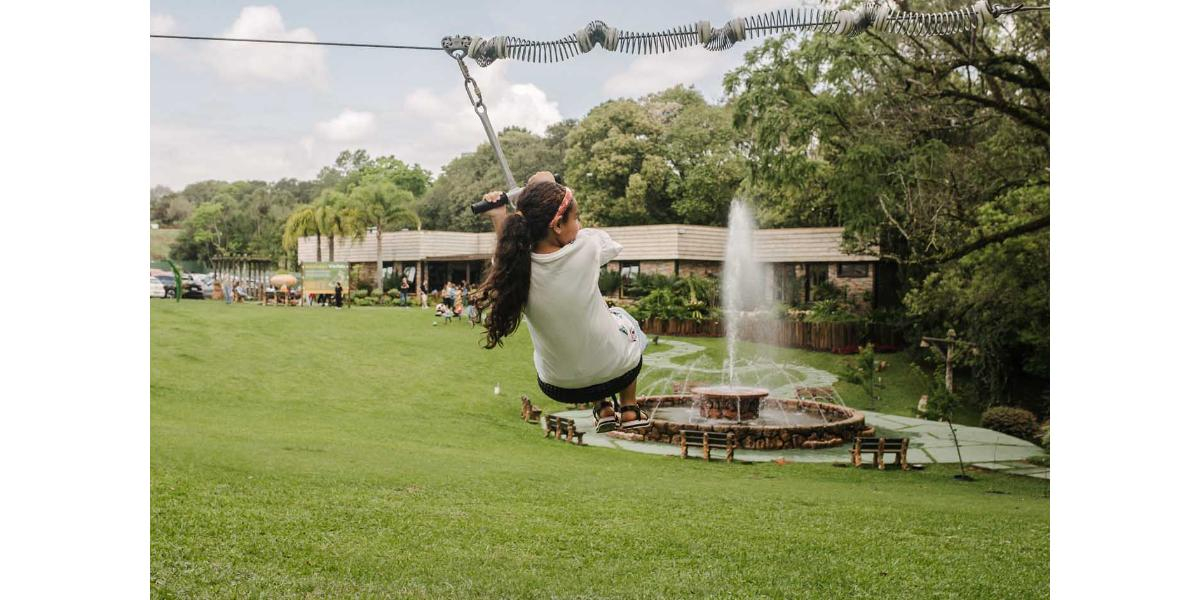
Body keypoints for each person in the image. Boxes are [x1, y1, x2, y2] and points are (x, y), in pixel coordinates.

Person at [475, 171, 649, 432]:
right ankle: (629, 409)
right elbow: (611, 246)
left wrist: (500, 214)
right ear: (556, 226)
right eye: (575, 218)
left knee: (586, 331)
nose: (578, 224)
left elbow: (506, 249)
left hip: (557, 384)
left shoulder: (516, 269)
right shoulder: (587, 248)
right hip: (617, 371)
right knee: (623, 319)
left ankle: (602, 407)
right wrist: (546, 184)